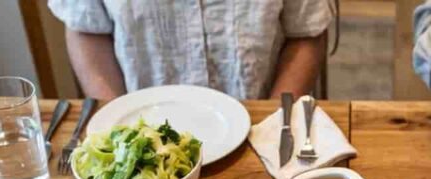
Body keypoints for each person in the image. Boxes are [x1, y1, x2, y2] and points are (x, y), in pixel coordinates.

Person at [48, 0, 333, 100]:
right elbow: (86, 26)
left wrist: (274, 121)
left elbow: (306, 31)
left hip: (260, 118)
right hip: (142, 125)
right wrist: (117, 120)